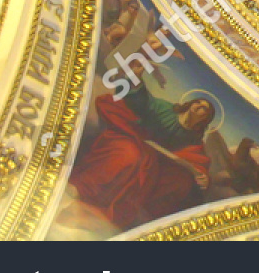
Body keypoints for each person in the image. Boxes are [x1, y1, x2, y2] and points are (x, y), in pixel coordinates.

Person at [67, 86, 218, 231]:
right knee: (130, 155)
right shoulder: (165, 109)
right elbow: (143, 102)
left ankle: (140, 216)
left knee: (181, 181)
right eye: (198, 102)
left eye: (204, 108)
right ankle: (84, 188)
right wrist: (136, 83)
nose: (199, 106)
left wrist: (203, 177)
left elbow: (199, 162)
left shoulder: (194, 140)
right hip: (136, 140)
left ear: (205, 118)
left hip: (158, 164)